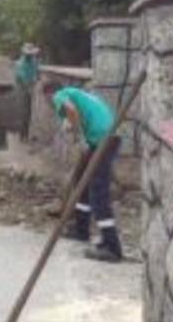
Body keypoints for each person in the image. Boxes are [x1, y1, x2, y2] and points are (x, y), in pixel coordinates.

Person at [51, 85, 123, 262]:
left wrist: (80, 138)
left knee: (98, 193)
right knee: (82, 182)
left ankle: (112, 247)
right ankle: (81, 230)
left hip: (102, 139)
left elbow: (71, 109)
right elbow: (77, 113)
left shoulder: (59, 95)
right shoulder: (79, 94)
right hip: (103, 138)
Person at [15, 43, 40, 141]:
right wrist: (29, 88)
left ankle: (28, 133)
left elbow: (36, 73)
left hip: (30, 86)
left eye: (31, 54)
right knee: (23, 112)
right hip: (22, 88)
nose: (30, 56)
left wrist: (36, 80)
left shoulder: (34, 62)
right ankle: (22, 135)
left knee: (29, 112)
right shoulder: (20, 64)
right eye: (28, 54)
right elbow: (22, 78)